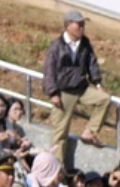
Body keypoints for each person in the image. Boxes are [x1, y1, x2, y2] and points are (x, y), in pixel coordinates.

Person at [41, 12, 111, 154]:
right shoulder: (57, 46)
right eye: (79, 24)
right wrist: (53, 93)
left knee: (104, 99)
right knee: (60, 133)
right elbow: (49, 71)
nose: (82, 27)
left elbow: (92, 64)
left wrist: (98, 84)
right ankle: (57, 167)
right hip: (64, 93)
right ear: (68, 25)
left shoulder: (85, 43)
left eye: (83, 24)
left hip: (81, 88)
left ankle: (90, 131)